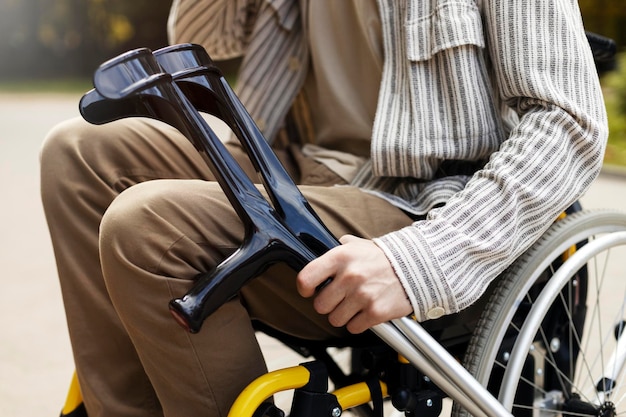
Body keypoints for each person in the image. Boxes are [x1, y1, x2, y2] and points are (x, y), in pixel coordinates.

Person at [40, 0, 608, 416]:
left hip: (418, 205)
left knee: (147, 227)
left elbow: (571, 124)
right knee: (76, 155)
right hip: (293, 166)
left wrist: (422, 260)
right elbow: (198, 30)